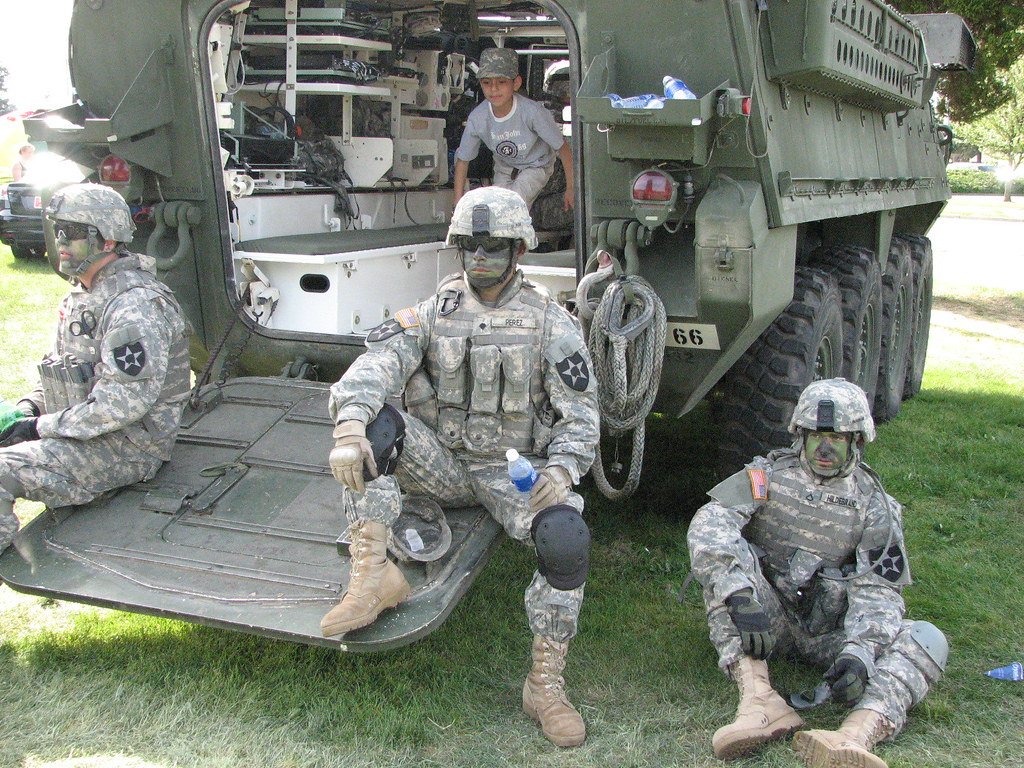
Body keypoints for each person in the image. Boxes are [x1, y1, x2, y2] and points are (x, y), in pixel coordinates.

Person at [323, 186, 599, 748]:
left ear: (518, 250)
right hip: (442, 462)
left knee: (567, 536)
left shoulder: (550, 322)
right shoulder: (435, 310)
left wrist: (564, 470)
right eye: (469, 245)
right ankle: (375, 578)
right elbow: (377, 361)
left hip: (514, 471)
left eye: (492, 245)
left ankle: (544, 684)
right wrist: (350, 424)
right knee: (375, 428)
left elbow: (583, 415)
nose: (479, 257)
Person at [687, 379, 947, 768]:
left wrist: (860, 653)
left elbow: (879, 590)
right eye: (816, 437)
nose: (824, 449)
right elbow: (710, 523)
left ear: (856, 441)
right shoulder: (766, 476)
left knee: (927, 638)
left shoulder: (874, 506)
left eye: (837, 438)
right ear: (801, 436)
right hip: (765, 619)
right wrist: (739, 595)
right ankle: (759, 701)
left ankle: (855, 734)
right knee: (726, 570)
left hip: (830, 634)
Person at [0, 183, 190, 558]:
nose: (61, 242)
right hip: (84, 432)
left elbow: (123, 405)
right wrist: (27, 409)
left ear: (106, 241)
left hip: (129, 447)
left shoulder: (134, 305)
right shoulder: (85, 295)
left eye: (73, 233)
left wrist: (38, 428)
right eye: (58, 231)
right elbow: (63, 370)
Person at [453, 48, 574, 211]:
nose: (493, 89)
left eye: (501, 82)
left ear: (515, 83)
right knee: (497, 208)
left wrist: (572, 188)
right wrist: (458, 202)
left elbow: (563, 147)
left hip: (537, 163)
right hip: (504, 164)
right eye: (486, 82)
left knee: (514, 203)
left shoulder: (532, 112)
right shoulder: (478, 118)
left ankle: (519, 234)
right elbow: (463, 161)